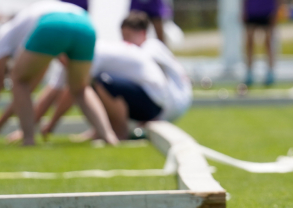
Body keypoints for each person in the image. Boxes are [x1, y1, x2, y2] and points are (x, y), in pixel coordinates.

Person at [0, 1, 118, 147]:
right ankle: (109, 136)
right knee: (80, 88)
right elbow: (29, 91)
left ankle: (28, 140)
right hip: (85, 23)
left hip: (53, 24)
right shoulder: (29, 25)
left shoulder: (5, 34)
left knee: (18, 80)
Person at [39, 14, 192, 140]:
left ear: (143, 34)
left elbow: (74, 90)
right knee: (97, 83)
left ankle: (117, 132)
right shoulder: (128, 50)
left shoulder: (150, 48)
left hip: (169, 102)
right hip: (166, 100)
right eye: (123, 36)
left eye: (128, 36)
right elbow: (57, 87)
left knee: (102, 82)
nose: (125, 40)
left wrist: (51, 124)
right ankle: (102, 129)